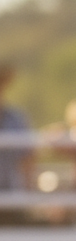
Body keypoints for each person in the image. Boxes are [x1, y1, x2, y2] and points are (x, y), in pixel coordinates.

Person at [0, 63, 33, 192]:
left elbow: (27, 158)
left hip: (12, 192)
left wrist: (27, 193)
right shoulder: (17, 118)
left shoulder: (16, 118)